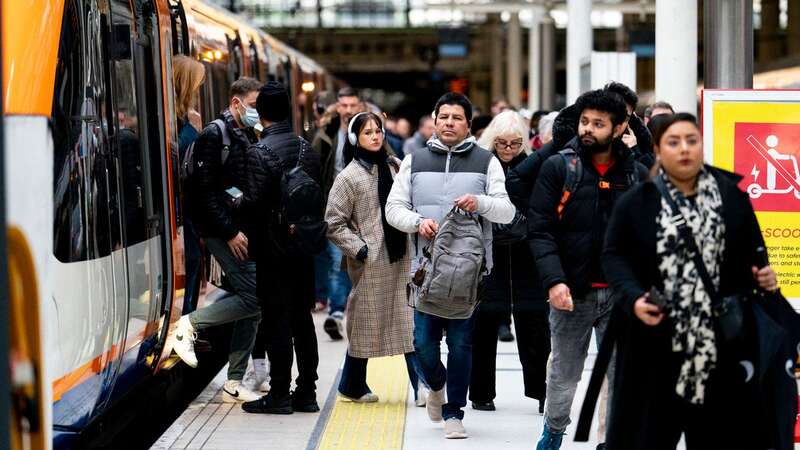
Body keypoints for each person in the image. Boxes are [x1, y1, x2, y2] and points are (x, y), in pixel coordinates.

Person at [601, 113, 787, 449]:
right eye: (674, 142)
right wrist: (633, 298)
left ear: (702, 146)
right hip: (655, 342)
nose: (684, 149)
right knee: (649, 436)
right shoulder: (638, 201)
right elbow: (613, 256)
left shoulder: (731, 197)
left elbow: (753, 254)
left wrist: (764, 275)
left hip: (719, 346)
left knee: (719, 438)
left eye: (692, 140)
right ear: (658, 150)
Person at [386, 92, 516, 439]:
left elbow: (507, 211)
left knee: (461, 344)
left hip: (468, 273)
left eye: (456, 118)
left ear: (468, 125)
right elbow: (393, 208)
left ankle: (454, 411)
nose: (448, 123)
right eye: (443, 117)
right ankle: (437, 384)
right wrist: (416, 222)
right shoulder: (414, 160)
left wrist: (481, 202)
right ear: (434, 119)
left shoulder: (486, 161)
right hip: (424, 272)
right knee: (424, 344)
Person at [531, 89, 649, 450]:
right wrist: (554, 281)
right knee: (565, 375)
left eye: (598, 124)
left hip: (620, 297)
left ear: (619, 128)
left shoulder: (637, 174)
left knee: (619, 375)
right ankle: (553, 431)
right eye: (585, 121)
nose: (588, 129)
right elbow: (540, 228)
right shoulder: (559, 167)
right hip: (571, 293)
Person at [171, 77, 265, 403]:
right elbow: (204, 193)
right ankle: (188, 325)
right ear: (236, 103)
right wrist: (229, 232)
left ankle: (234, 382)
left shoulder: (243, 133)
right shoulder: (215, 134)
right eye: (254, 105)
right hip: (220, 232)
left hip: (238, 229)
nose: (258, 111)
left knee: (252, 305)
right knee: (255, 298)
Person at [325, 111, 422, 405]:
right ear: (356, 138)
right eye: (367, 132)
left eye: (378, 130)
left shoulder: (394, 167)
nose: (376, 136)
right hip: (370, 262)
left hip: (402, 256)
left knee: (410, 324)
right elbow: (333, 222)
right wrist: (360, 248)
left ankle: (424, 387)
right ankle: (352, 384)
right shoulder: (348, 177)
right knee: (366, 326)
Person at [239, 82, 322, 415]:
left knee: (277, 322)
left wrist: (235, 202)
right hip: (304, 247)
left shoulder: (257, 152)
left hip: (273, 252)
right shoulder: (307, 148)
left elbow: (253, 205)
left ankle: (279, 395)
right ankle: (307, 393)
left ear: (259, 112)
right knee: (303, 319)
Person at [469, 111, 550, 414]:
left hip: (527, 254)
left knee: (535, 324)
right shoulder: (481, 165)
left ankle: (542, 390)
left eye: (515, 143)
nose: (508, 149)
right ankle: (481, 392)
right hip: (490, 253)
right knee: (484, 323)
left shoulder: (533, 165)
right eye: (502, 143)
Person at [312, 87, 364, 339]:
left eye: (352, 105)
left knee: (360, 262)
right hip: (335, 209)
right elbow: (315, 169)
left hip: (365, 211)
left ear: (359, 105)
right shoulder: (327, 134)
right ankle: (335, 313)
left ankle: (357, 311)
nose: (348, 110)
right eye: (343, 105)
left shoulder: (370, 131)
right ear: (338, 107)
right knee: (336, 262)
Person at [173, 55, 205, 315]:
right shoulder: (181, 124)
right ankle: (184, 330)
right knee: (191, 262)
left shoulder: (184, 119)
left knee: (193, 263)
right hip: (183, 211)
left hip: (190, 211)